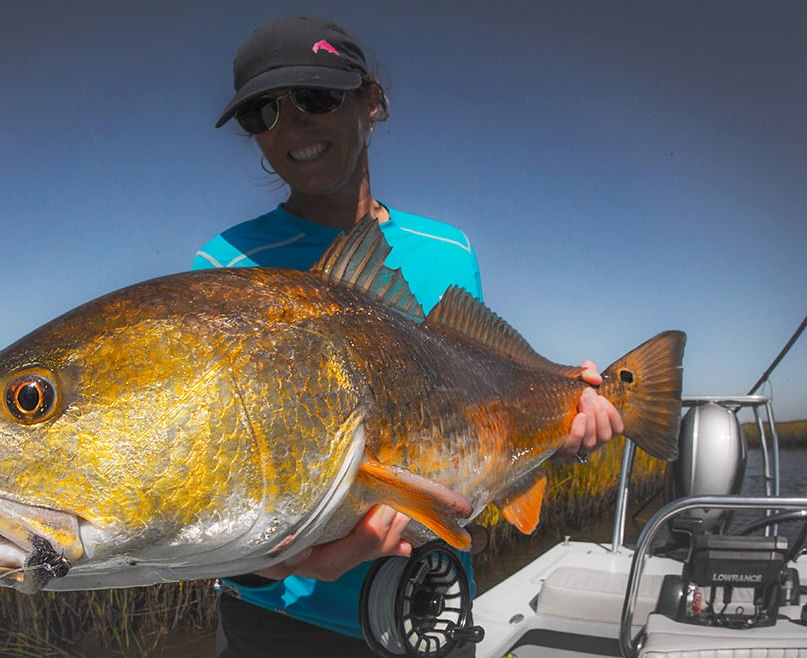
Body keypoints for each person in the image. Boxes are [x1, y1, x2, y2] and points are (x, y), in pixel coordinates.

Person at [192, 16, 623, 658]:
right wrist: (270, 566)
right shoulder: (225, 268)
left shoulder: (450, 250)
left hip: (434, 613)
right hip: (274, 629)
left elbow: (483, 405)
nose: (292, 125)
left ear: (371, 102)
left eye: (315, 97)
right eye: (264, 112)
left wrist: (563, 434)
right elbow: (214, 480)